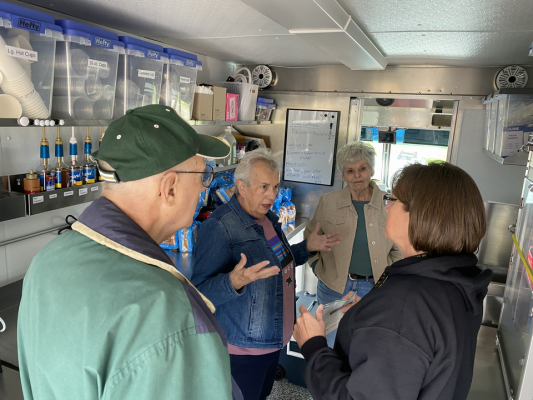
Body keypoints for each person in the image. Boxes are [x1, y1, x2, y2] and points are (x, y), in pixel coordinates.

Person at [17, 105, 244, 400]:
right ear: (170, 188)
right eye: (203, 176)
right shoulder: (163, 308)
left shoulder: (48, 259)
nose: (204, 188)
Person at [293, 162, 492, 400]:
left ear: (420, 215)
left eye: (393, 200)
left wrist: (314, 346)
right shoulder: (453, 279)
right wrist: (369, 315)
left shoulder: (403, 308)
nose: (386, 208)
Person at [192, 149, 341, 400]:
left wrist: (307, 248)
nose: (272, 195)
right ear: (241, 186)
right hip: (243, 351)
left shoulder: (268, 220)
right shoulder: (219, 227)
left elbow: (278, 264)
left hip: (273, 343)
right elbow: (198, 295)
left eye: (274, 186)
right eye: (263, 187)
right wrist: (233, 282)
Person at [305, 141, 402, 345]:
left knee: (366, 342)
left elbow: (399, 247)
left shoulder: (389, 203)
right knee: (331, 341)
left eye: (362, 168)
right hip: (333, 286)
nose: (357, 175)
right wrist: (316, 267)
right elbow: (310, 238)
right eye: (350, 171)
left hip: (375, 286)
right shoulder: (328, 202)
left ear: (372, 170)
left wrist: (388, 276)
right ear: (343, 175)